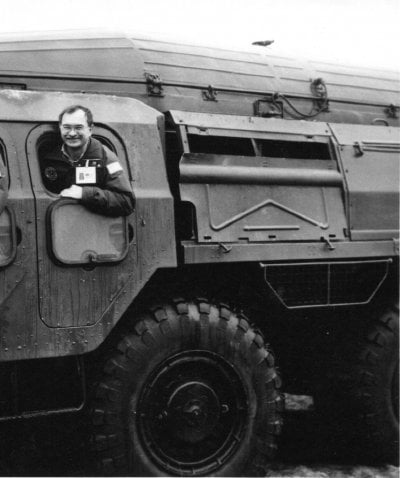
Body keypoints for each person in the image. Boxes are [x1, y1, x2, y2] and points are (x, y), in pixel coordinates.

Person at [42, 105, 135, 217]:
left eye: (78, 127)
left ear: (90, 130)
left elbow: (126, 202)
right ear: (60, 127)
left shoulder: (105, 158)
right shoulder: (48, 157)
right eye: (67, 127)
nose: (72, 133)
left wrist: (85, 194)